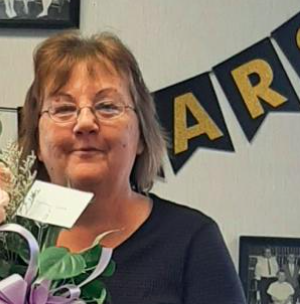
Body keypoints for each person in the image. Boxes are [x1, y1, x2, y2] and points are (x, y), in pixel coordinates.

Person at [18, 31, 245, 303]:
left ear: (141, 136)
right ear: (38, 142)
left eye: (107, 106)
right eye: (64, 109)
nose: (85, 123)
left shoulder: (192, 242)